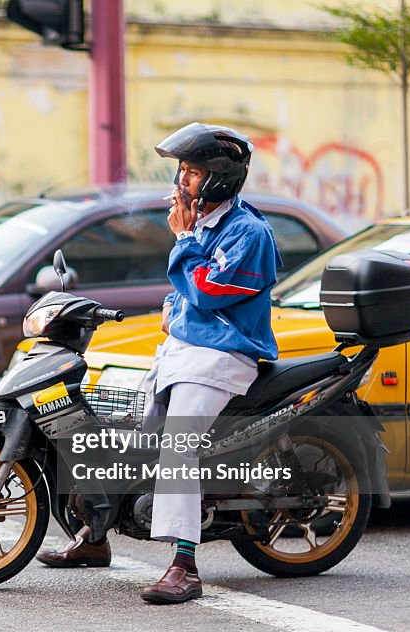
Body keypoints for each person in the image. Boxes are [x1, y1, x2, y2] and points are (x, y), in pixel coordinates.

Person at [35, 122, 283, 605]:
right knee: (127, 434)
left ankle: (184, 566)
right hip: (185, 353)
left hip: (224, 356)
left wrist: (184, 242)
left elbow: (210, 293)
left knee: (176, 449)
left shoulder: (248, 233)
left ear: (217, 178)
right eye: (181, 171)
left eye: (190, 172)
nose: (180, 182)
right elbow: (185, 296)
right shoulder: (205, 227)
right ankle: (96, 533)